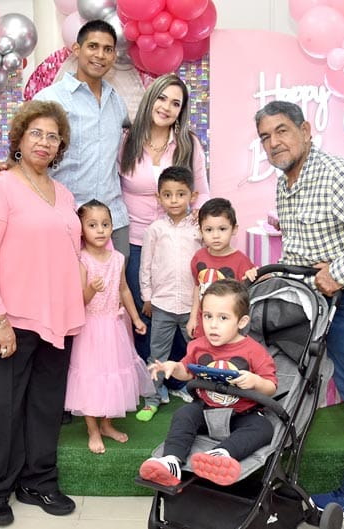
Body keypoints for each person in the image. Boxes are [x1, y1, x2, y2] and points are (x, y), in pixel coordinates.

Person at [254, 100, 344, 518]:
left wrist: (338, 272)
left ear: (305, 130)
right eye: (265, 137)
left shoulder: (333, 173)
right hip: (316, 305)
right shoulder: (286, 182)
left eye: (282, 130)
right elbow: (301, 250)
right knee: (289, 381)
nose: (273, 142)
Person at [0, 100, 84, 527]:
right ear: (19, 138)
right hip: (4, 319)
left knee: (45, 406)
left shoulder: (63, 194)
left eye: (53, 136)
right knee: (1, 408)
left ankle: (38, 482)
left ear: (60, 146)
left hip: (54, 319)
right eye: (37, 133)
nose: (44, 142)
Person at [139, 279, 277, 487]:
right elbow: (186, 371)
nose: (213, 325)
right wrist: (173, 367)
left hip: (241, 414)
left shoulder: (254, 351)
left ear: (241, 322)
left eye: (223, 318)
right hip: (207, 410)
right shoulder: (198, 346)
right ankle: (171, 461)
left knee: (263, 428)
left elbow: (271, 387)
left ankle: (221, 455)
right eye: (207, 316)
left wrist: (255, 381)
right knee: (184, 414)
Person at [119, 73, 210, 364]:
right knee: (145, 310)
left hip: (182, 241)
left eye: (175, 103)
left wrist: (204, 231)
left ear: (181, 111)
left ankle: (181, 376)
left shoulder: (189, 144)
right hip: (136, 241)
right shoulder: (126, 142)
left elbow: (202, 192)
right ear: (150, 99)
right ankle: (152, 375)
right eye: (161, 98)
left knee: (181, 309)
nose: (166, 107)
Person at [34, 19, 130, 257]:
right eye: (93, 46)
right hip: (66, 216)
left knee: (118, 278)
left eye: (108, 49)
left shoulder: (117, 102)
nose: (100, 55)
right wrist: (11, 162)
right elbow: (24, 147)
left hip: (112, 218)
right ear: (77, 49)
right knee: (68, 280)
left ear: (114, 56)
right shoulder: (50, 99)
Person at [65, 199, 155, 454]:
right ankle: (92, 430)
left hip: (114, 328)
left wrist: (136, 318)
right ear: (82, 229)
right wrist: (91, 290)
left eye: (105, 224)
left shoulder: (117, 259)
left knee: (112, 375)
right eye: (93, 225)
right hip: (90, 330)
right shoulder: (82, 260)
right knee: (91, 378)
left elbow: (124, 289)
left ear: (113, 227)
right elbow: (80, 300)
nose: (100, 230)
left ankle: (106, 424)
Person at [136, 166, 203, 421]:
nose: (174, 200)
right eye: (167, 195)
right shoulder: (155, 229)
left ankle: (201, 396)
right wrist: (147, 297)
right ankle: (153, 398)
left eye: (180, 194)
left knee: (196, 353)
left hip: (191, 306)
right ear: (158, 197)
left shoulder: (198, 228)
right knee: (157, 354)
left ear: (192, 196)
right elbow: (146, 265)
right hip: (162, 304)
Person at [187, 198, 258, 339]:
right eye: (209, 230)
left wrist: (254, 274)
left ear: (234, 229)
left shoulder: (241, 261)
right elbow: (197, 288)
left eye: (222, 229)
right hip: (203, 326)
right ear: (200, 231)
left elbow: (252, 292)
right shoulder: (198, 257)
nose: (216, 236)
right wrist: (193, 318)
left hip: (229, 330)